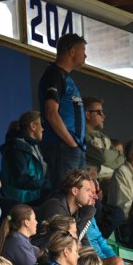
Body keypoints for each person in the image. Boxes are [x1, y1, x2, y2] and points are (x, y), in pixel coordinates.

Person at [39, 34, 88, 188]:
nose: (85, 55)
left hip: (73, 147)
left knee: (78, 195)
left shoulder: (66, 78)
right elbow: (51, 113)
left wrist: (76, 145)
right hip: (62, 147)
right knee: (65, 194)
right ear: (71, 51)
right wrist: (71, 143)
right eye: (83, 50)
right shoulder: (54, 75)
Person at [0, 110, 47, 203]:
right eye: (41, 125)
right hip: (20, 201)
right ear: (33, 126)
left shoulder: (34, 146)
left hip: (33, 197)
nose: (43, 129)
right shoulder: (15, 148)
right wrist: (48, 185)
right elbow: (22, 179)